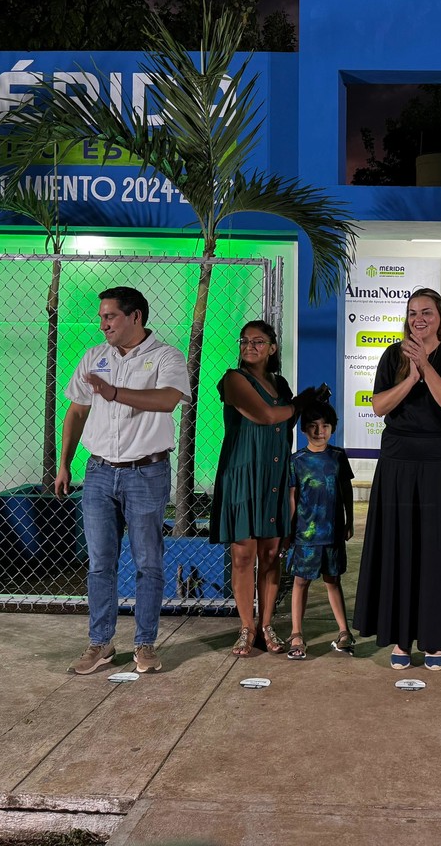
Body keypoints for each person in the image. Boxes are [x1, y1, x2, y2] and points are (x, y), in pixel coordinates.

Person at [58, 287, 190, 676]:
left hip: (146, 472)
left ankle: (145, 643)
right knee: (100, 563)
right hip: (98, 473)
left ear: (135, 317)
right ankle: (100, 643)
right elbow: (77, 411)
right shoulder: (93, 358)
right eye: (101, 318)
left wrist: (115, 393)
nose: (103, 325)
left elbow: (168, 399)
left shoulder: (166, 356)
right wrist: (64, 464)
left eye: (110, 317)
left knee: (148, 562)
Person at [354, 287, 441, 669]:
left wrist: (426, 367)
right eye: (412, 313)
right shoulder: (393, 355)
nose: (418, 319)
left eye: (426, 312)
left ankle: (435, 638)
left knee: (438, 549)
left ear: (440, 316)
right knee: (401, 545)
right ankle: (400, 637)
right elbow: (379, 406)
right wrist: (410, 378)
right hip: (399, 461)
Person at [209, 320, 302, 658]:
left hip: (275, 476)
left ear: (272, 348)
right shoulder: (234, 379)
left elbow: (285, 423)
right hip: (242, 475)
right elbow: (264, 415)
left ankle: (266, 625)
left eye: (258, 341)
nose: (249, 346)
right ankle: (245, 627)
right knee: (244, 554)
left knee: (271, 554)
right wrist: (298, 405)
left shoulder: (281, 384)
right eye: (245, 340)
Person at [284, 398, 356, 660]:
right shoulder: (297, 460)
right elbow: (292, 498)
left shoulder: (338, 457)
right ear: (304, 430)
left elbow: (346, 490)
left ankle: (344, 631)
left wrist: (349, 521)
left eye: (325, 426)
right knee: (300, 581)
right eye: (313, 426)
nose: (319, 431)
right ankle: (296, 633)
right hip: (305, 535)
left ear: (333, 428)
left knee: (333, 580)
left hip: (333, 533)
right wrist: (289, 531)